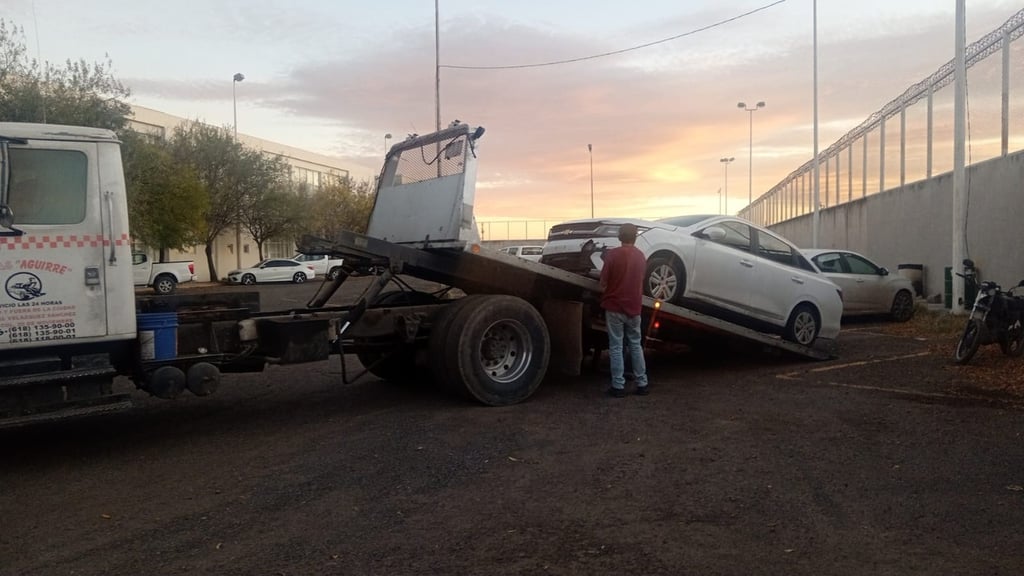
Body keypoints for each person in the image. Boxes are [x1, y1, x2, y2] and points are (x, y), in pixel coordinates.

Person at [599, 223, 649, 397]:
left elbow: (603, 282)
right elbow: (640, 279)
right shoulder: (642, 257)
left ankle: (618, 386)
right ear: (635, 237)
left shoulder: (612, 255)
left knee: (616, 346)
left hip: (615, 307)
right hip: (635, 308)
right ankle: (642, 383)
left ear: (620, 237)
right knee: (636, 345)